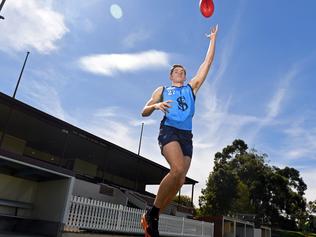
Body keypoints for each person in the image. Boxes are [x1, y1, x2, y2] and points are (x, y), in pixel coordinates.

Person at [140, 24, 219, 237]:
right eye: (176, 70)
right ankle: (151, 214)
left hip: (187, 136)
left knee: (181, 179)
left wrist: (212, 40)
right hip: (169, 131)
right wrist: (156, 106)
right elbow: (143, 111)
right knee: (176, 169)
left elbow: (207, 63)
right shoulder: (163, 90)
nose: (180, 72)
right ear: (170, 75)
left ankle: (154, 216)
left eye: (182, 71)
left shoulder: (191, 88)